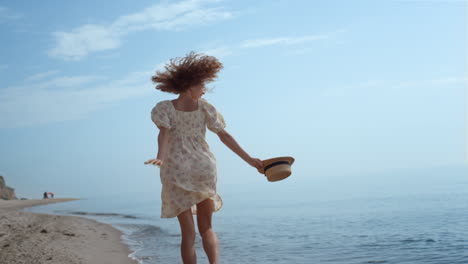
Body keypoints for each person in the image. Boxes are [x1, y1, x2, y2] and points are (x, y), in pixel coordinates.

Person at [145, 51, 263, 264]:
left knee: (188, 234)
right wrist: (250, 160)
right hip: (203, 166)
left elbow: (164, 133)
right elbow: (224, 136)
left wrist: (160, 158)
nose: (204, 89)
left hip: (175, 168)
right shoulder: (206, 108)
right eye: (202, 85)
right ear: (190, 86)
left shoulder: (164, 108)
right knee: (207, 228)